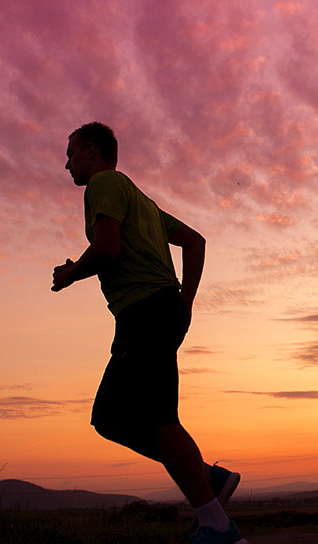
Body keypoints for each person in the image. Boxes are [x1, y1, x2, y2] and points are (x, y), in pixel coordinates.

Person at [52, 122, 247, 544]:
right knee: (150, 418)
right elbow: (195, 242)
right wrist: (186, 301)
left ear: (91, 150)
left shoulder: (103, 183)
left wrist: (70, 273)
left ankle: (215, 519)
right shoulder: (140, 200)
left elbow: (107, 248)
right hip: (161, 311)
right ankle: (210, 493)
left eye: (70, 154)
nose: (66, 163)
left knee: (117, 416)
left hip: (144, 312)